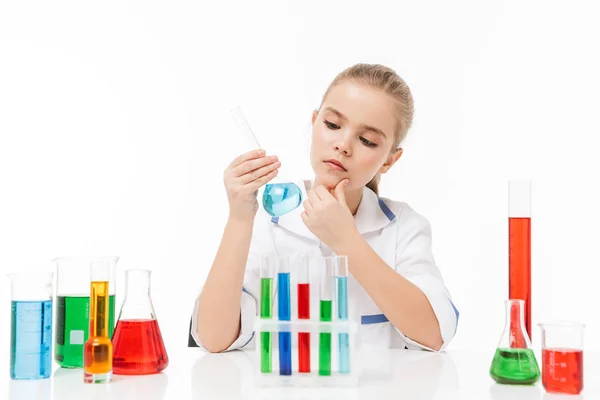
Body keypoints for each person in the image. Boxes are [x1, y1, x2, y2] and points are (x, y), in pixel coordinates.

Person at [189, 63, 459, 353]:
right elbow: (214, 339)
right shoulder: (267, 218)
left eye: (367, 140)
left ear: (389, 160)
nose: (343, 145)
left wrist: (346, 242)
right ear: (315, 122)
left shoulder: (404, 226)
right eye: (332, 125)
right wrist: (239, 219)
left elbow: (434, 334)